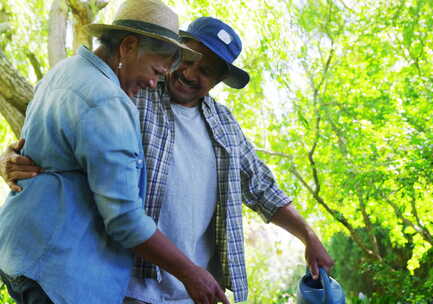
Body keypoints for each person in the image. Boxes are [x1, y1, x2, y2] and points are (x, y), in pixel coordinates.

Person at [1, 17, 334, 304]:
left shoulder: (225, 125)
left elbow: (261, 188)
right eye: (185, 60)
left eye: (205, 70)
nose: (188, 73)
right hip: (127, 281)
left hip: (192, 288)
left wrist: (308, 235)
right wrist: (10, 157)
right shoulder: (131, 89)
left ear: (218, 81)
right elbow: (59, 122)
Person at [0, 1, 231, 304]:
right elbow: (124, 219)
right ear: (128, 46)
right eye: (154, 70)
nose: (152, 83)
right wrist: (192, 273)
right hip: (57, 267)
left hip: (20, 253)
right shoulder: (108, 101)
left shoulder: (65, 70)